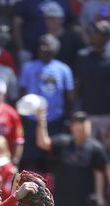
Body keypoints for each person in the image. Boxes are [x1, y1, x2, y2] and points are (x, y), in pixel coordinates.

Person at [36, 109, 106, 206]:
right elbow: (43, 143)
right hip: (61, 201)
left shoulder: (96, 148)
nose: (82, 129)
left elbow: (99, 173)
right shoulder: (62, 142)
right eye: (78, 126)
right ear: (72, 127)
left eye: (84, 125)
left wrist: (100, 198)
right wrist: (41, 120)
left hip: (84, 203)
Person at [18, 34, 74, 170]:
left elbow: (69, 96)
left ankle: (50, 187)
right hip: (32, 120)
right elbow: (22, 92)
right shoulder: (28, 67)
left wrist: (67, 118)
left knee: (52, 156)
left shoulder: (64, 69)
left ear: (55, 48)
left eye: (48, 45)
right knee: (31, 156)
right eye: (42, 45)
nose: (44, 48)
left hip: (55, 119)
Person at [74, 21, 110, 146]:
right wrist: (75, 110)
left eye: (99, 33)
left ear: (107, 37)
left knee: (106, 151)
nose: (94, 35)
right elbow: (76, 85)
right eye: (94, 32)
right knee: (85, 150)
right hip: (86, 113)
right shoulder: (82, 56)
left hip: (107, 115)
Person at [43, 1, 83, 70]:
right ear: (45, 20)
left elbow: (80, 60)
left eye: (56, 18)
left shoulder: (73, 39)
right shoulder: (41, 40)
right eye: (50, 18)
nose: (53, 21)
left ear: (62, 19)